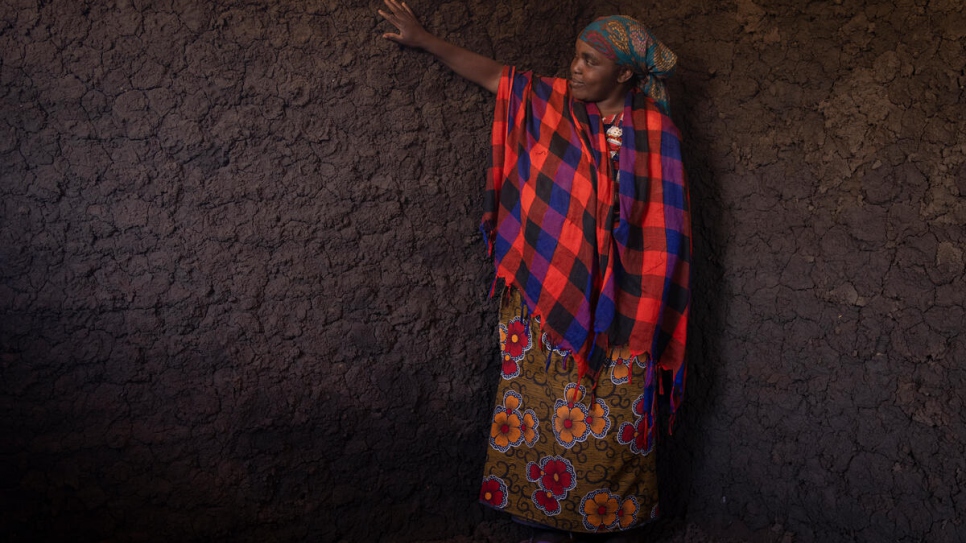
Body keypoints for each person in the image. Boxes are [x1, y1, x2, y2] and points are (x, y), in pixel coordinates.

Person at [378, 2, 691, 541]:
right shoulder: (550, 102)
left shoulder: (658, 133)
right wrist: (425, 39)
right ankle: (536, 511)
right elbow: (496, 75)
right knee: (539, 403)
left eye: (589, 62)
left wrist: (644, 303)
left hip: (625, 306)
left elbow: (669, 234)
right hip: (546, 290)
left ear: (624, 74)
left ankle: (603, 516)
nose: (575, 68)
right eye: (576, 56)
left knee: (611, 410)